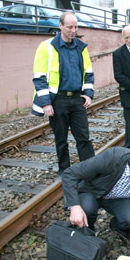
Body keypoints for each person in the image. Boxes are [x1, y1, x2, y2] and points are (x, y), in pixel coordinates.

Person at [31, 12, 95, 175]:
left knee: (84, 138)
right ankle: (64, 171)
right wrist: (45, 103)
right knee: (61, 139)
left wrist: (88, 94)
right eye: (69, 27)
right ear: (60, 26)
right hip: (57, 100)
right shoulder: (46, 47)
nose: (73, 30)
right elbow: (39, 77)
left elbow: (88, 72)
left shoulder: (81, 47)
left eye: (75, 27)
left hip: (77, 99)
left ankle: (89, 170)